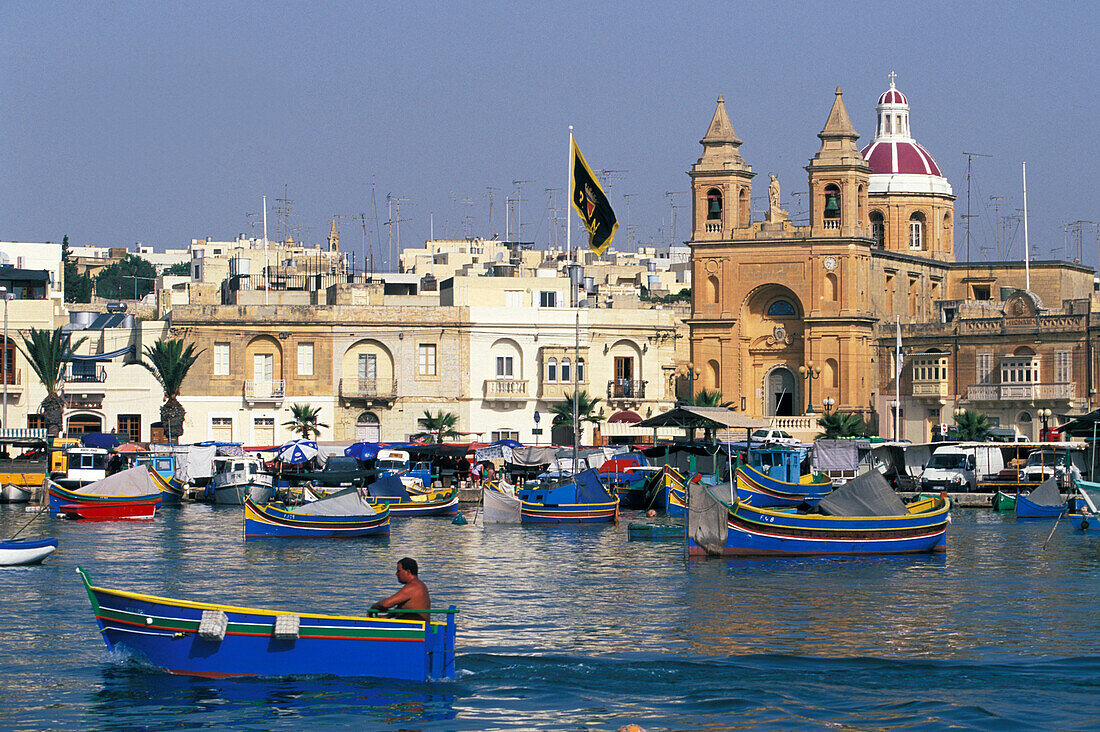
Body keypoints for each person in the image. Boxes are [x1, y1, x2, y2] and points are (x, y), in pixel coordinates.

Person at [371, 557, 431, 621]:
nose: (396, 574)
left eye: (399, 571)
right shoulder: (421, 585)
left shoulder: (413, 587)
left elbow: (386, 604)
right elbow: (407, 607)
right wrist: (388, 616)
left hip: (413, 628)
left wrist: (373, 607)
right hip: (418, 626)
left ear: (408, 571)